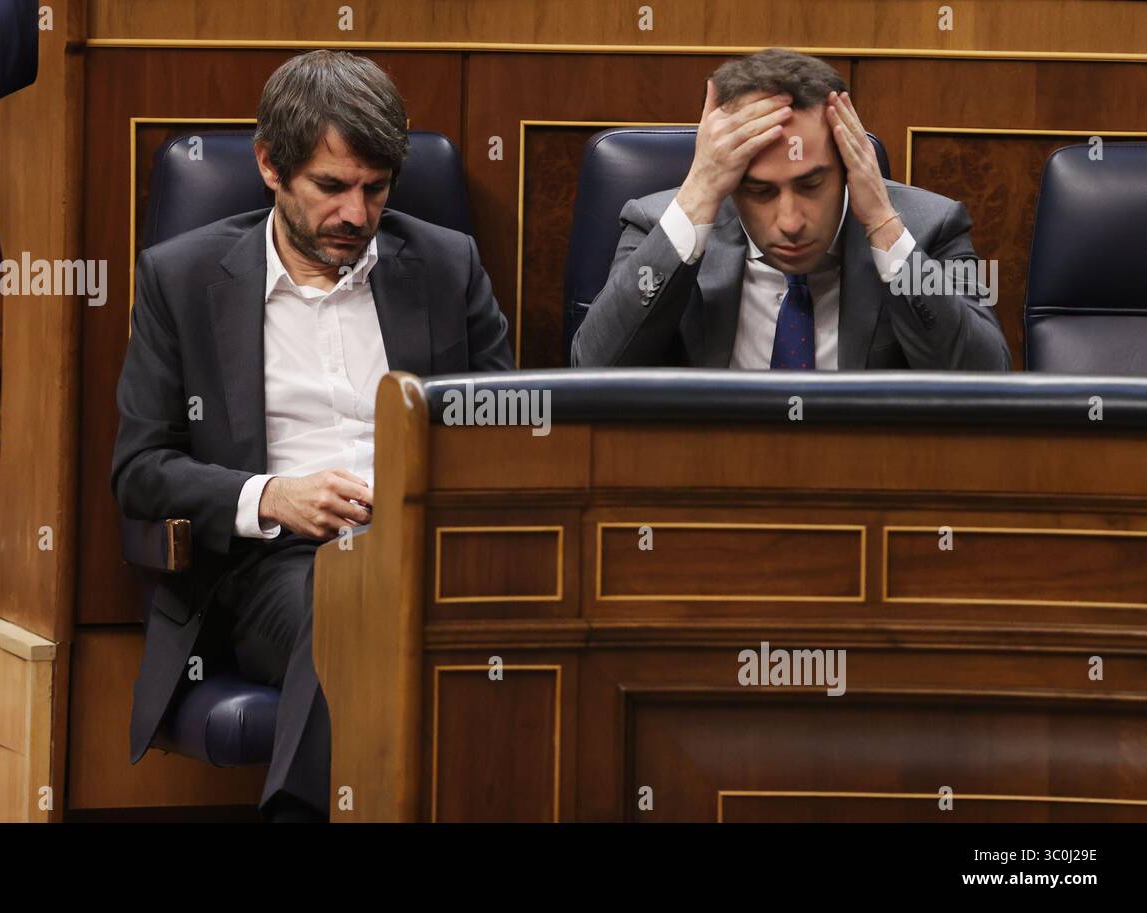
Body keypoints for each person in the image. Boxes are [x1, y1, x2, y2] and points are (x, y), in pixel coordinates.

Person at [112, 50, 514, 822]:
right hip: (277, 567)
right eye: (331, 187)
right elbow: (140, 470)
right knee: (351, 599)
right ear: (270, 164)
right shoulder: (183, 279)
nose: (357, 215)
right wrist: (273, 496)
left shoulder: (444, 264)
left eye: (376, 188)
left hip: (438, 550)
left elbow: (509, 426)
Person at [572, 48, 1011, 371]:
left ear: (846, 165)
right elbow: (591, 369)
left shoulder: (932, 227)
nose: (790, 223)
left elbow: (986, 378)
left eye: (812, 184)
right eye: (760, 192)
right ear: (728, 184)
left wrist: (883, 225)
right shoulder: (657, 224)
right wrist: (697, 194)